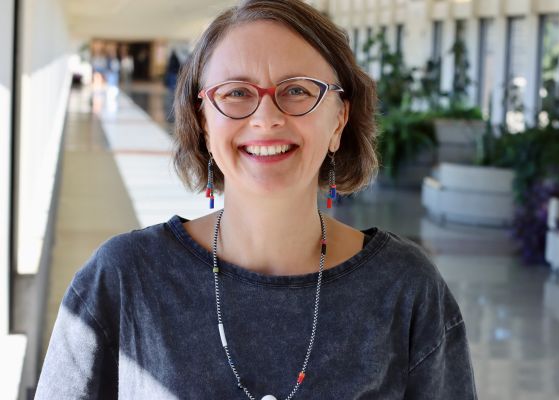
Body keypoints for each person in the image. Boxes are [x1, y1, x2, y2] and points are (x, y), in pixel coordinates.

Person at [35, 1, 477, 399]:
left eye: (298, 90)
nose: (267, 118)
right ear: (203, 120)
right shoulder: (124, 278)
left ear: (339, 118)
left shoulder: (405, 288)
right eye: (236, 93)